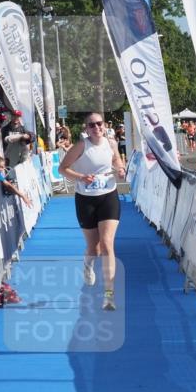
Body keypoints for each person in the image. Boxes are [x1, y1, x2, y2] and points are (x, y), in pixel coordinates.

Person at [58, 111, 127, 311]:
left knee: (107, 245)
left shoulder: (111, 143)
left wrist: (120, 169)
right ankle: (88, 265)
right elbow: (62, 169)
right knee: (94, 249)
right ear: (85, 129)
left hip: (109, 196)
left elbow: (116, 161)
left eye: (99, 124)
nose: (96, 128)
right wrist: (80, 177)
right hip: (86, 200)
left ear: (104, 125)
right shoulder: (80, 146)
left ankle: (109, 295)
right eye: (91, 125)